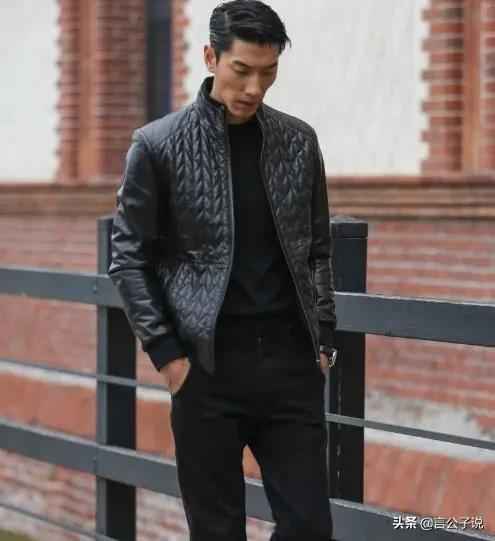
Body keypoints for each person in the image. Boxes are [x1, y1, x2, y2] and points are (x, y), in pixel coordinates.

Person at [109, 1, 338, 539]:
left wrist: (324, 337)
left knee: (309, 525)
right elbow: (128, 257)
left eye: (268, 72)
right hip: (205, 369)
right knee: (217, 531)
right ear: (211, 57)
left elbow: (317, 249)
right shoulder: (157, 146)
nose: (255, 87)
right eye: (242, 70)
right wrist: (168, 356)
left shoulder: (298, 142)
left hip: (289, 366)